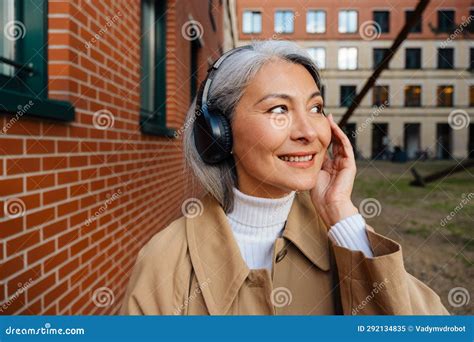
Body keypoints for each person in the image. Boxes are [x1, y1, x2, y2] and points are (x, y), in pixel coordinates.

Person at [120, 40, 448, 315]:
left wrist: (341, 214)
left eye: (316, 108)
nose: (308, 132)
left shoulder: (348, 241)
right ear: (218, 133)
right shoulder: (165, 262)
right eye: (279, 110)